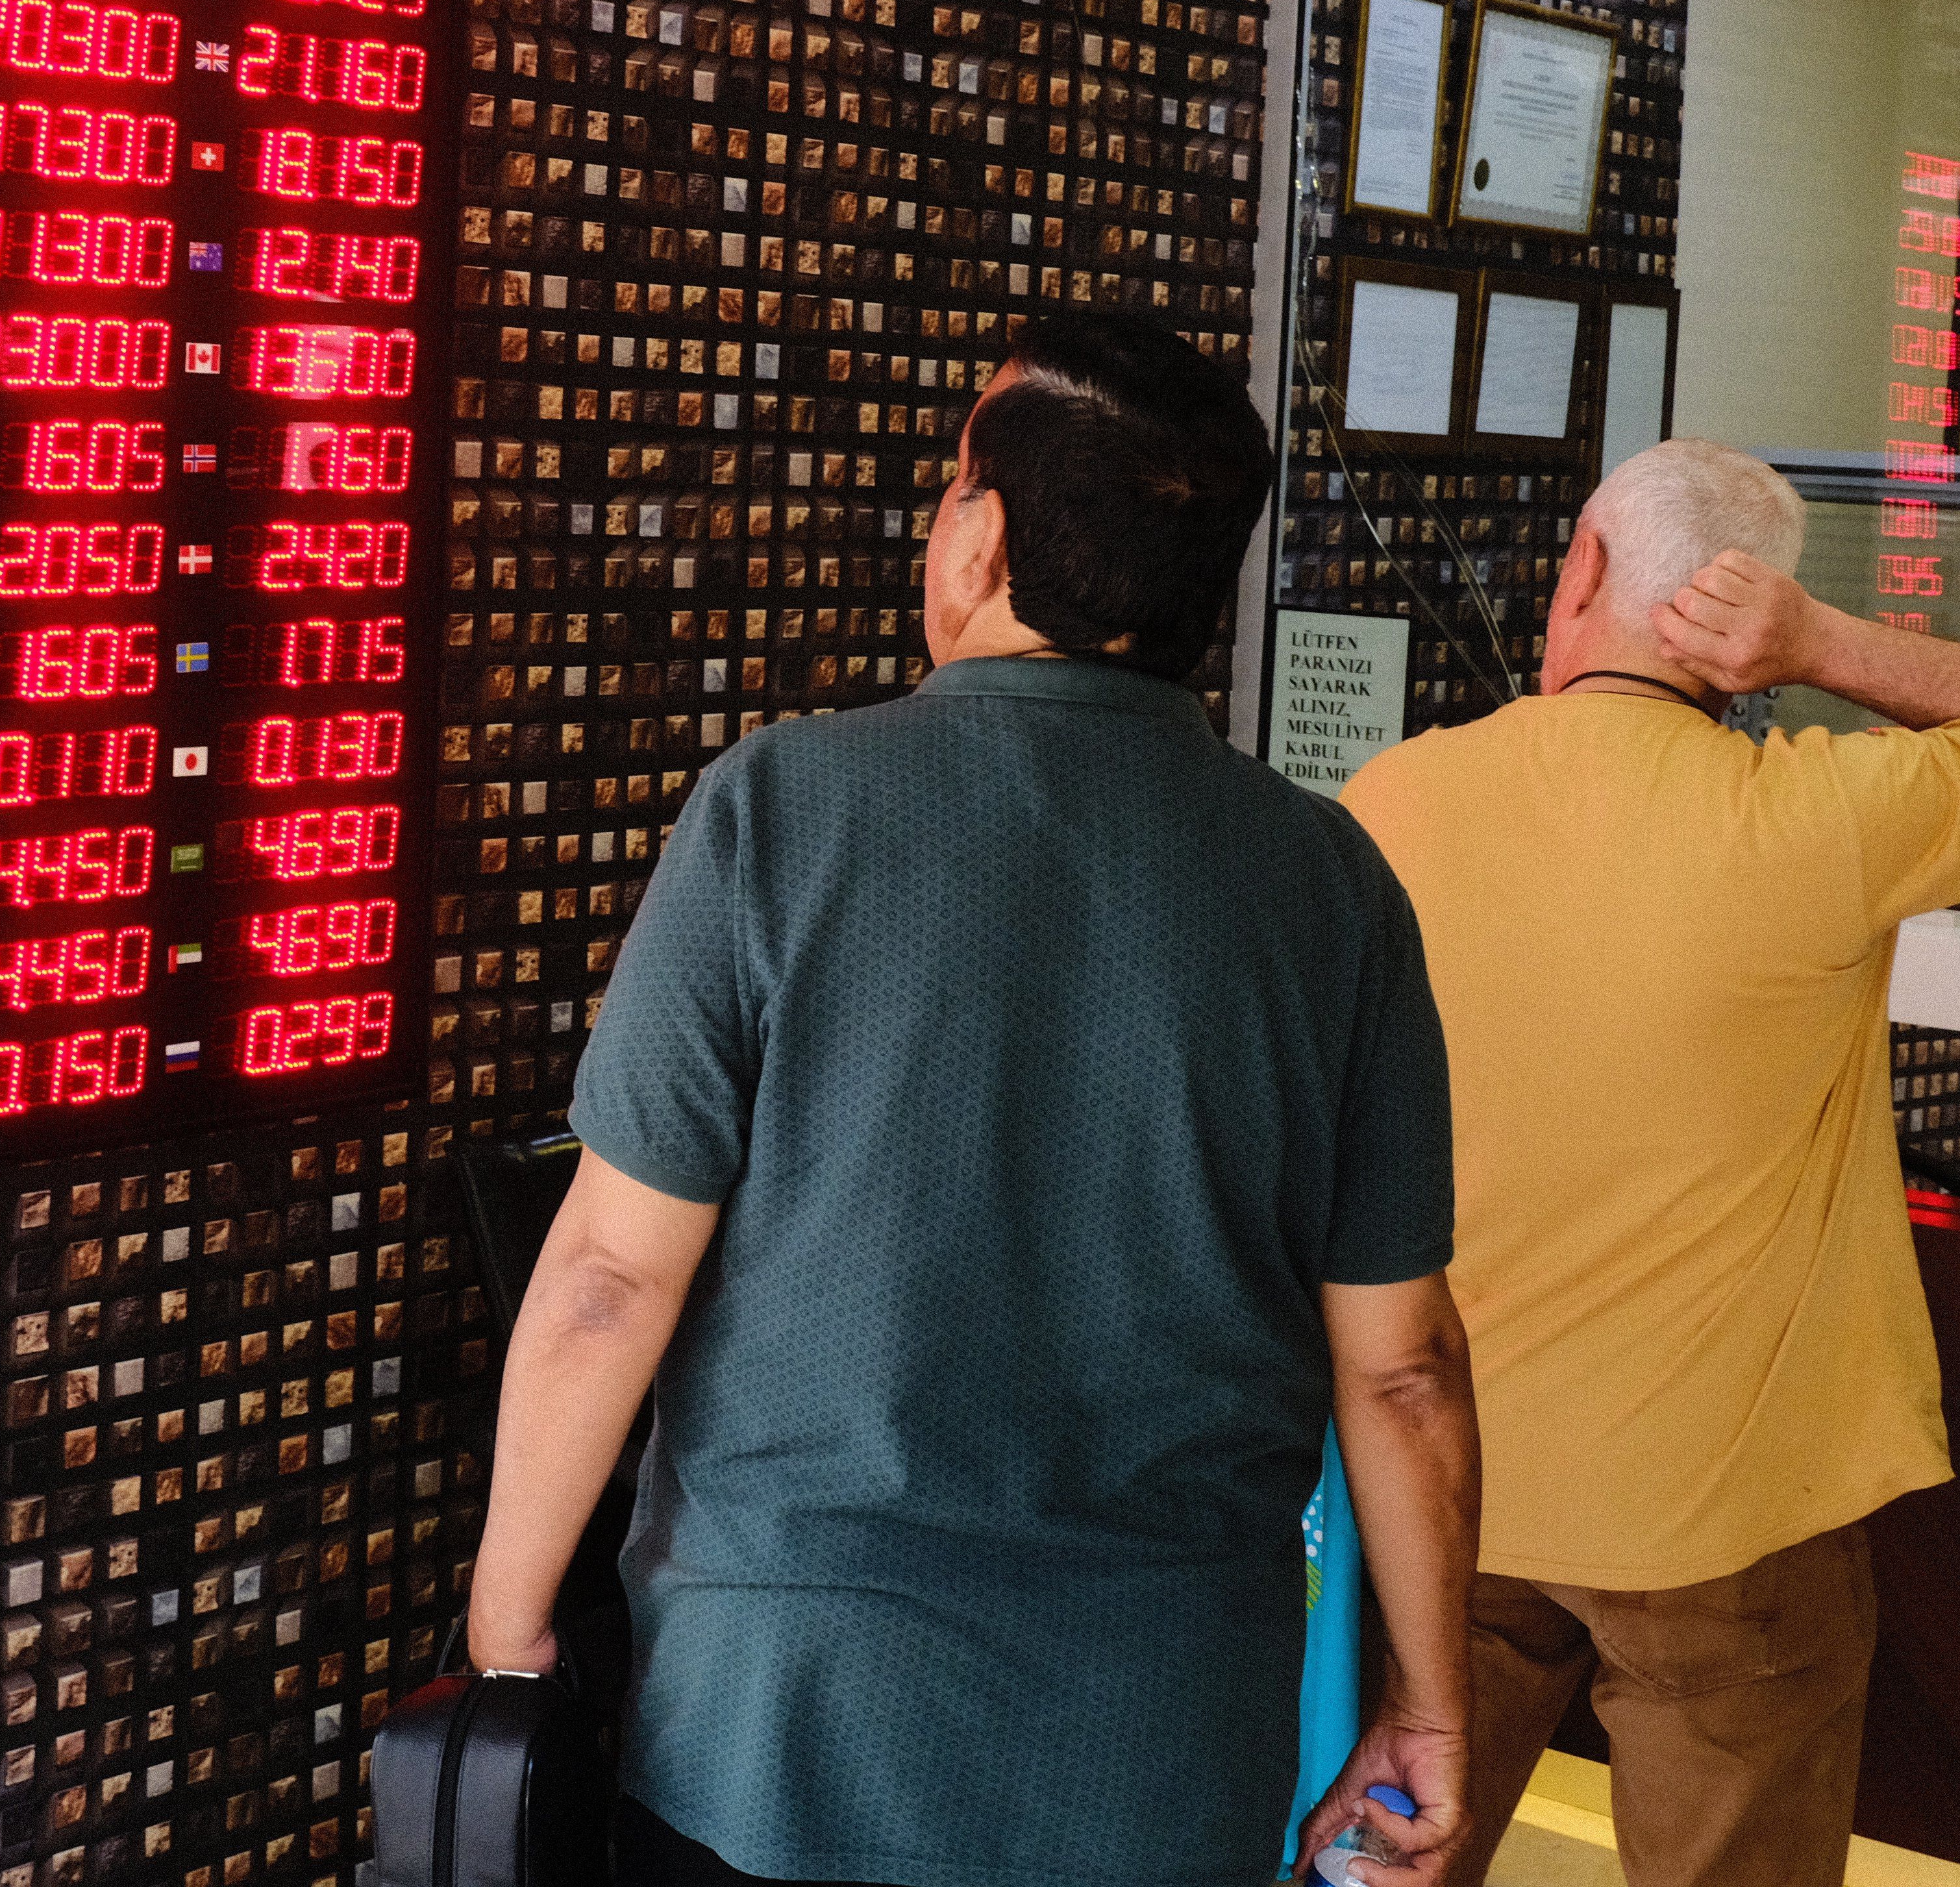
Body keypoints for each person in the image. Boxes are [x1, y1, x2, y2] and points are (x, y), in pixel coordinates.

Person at [463, 309, 1485, 1887]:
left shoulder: (778, 811)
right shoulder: (1333, 886)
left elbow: (609, 1277)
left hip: (771, 1731)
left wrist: (511, 1627)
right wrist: (1426, 1699)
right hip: (1157, 1755)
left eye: (950, 489)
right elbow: (1405, 1370)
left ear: (985, 535)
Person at [1341, 441, 1960, 1887]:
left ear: (1582, 568)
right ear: (1754, 618)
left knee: (1393, 1856)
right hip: (1727, 1511)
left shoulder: (1390, 801)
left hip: (1447, 1483)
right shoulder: (1822, 816)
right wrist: (1829, 645)